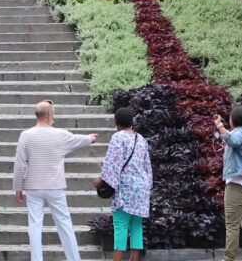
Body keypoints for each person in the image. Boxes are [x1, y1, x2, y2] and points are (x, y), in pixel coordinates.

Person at [12, 99, 98, 261]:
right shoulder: (60, 135)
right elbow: (78, 139)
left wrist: (18, 187)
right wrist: (90, 138)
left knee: (35, 225)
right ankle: (73, 258)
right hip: (54, 186)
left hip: (33, 186)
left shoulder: (26, 135)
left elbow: (20, 163)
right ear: (49, 114)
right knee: (64, 224)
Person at [92, 108, 152, 261]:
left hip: (125, 189)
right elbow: (147, 165)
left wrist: (101, 180)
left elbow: (112, 163)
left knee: (121, 227)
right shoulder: (141, 139)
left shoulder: (118, 138)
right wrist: (147, 186)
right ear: (132, 122)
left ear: (116, 123)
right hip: (141, 189)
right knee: (137, 227)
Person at [214, 106, 242, 261]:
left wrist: (219, 126)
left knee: (232, 225)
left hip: (237, 185)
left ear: (234, 121)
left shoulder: (239, 133)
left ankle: (229, 258)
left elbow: (233, 141)